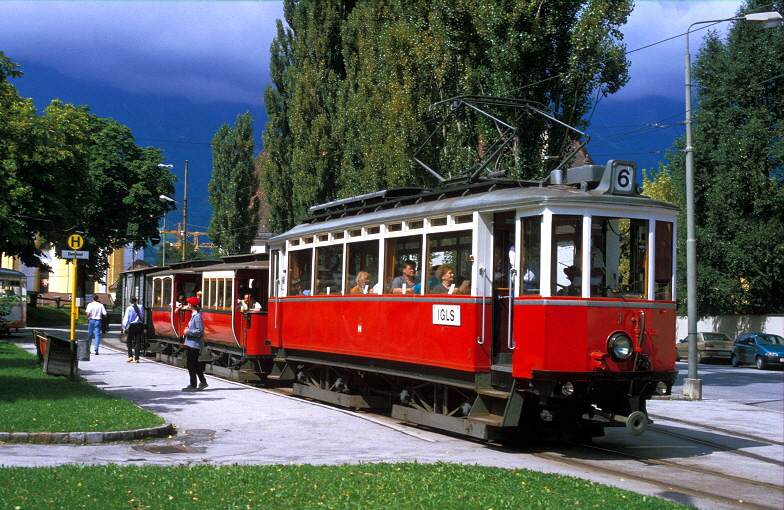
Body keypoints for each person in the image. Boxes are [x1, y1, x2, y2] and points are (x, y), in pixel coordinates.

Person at [182, 297, 208, 392]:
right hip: (191, 343)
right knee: (195, 364)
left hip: (194, 344)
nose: (187, 305)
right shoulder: (194, 315)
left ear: (192, 305)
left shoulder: (197, 316)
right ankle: (203, 381)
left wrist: (188, 332)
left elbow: (200, 330)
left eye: (188, 303)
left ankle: (193, 385)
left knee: (191, 365)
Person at [122, 296, 144, 363]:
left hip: (132, 326)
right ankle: (137, 358)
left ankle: (130, 356)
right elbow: (142, 316)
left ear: (130, 301)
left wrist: (124, 328)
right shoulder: (141, 307)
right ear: (136, 300)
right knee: (138, 342)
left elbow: (126, 319)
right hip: (139, 325)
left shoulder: (129, 308)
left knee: (129, 341)